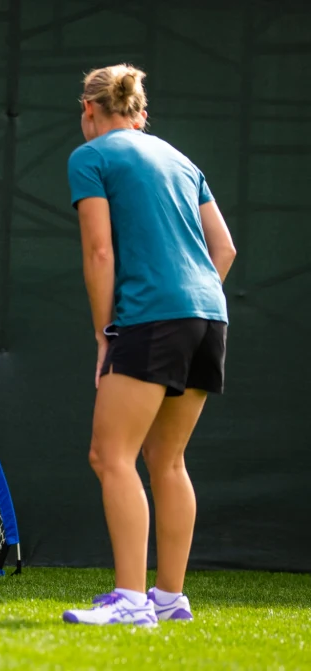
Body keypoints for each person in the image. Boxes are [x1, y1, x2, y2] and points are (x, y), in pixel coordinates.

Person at [61, 65, 236, 625]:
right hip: (208, 316)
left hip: (151, 319)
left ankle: (132, 601)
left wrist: (103, 334)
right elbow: (225, 249)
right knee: (167, 458)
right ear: (137, 112)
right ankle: (168, 598)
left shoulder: (89, 157)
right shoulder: (182, 160)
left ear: (89, 109)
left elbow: (99, 253)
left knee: (109, 455)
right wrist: (191, 300)